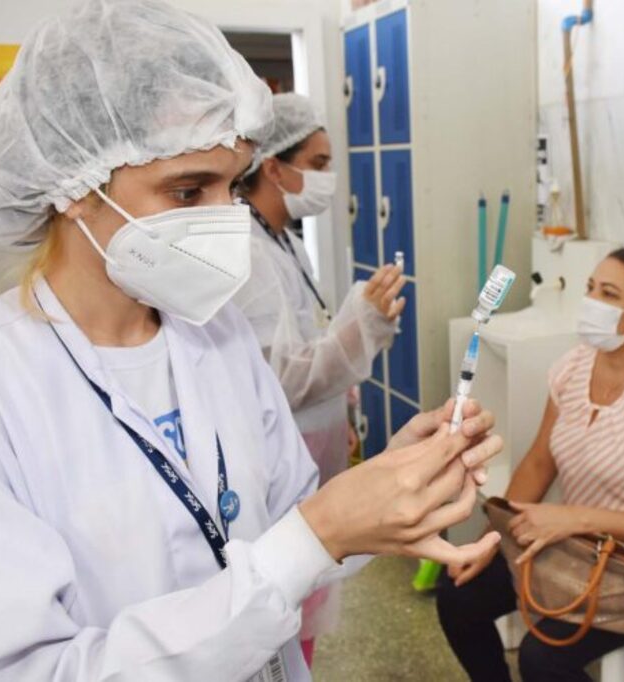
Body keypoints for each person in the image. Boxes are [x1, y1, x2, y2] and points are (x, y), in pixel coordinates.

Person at [0, 2, 501, 680]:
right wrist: (319, 533)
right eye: (189, 192)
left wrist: (380, 494)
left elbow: (292, 533)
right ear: (75, 187)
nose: (227, 220)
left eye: (232, 185)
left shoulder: (213, 335)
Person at [436, 248, 624, 682]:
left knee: (544, 658)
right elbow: (538, 463)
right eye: (590, 288)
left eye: (608, 293)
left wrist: (570, 518)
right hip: (580, 542)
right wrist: (488, 541)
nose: (591, 303)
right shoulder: (574, 367)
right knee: (457, 592)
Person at [233, 93, 404, 661]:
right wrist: (364, 326)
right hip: (286, 451)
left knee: (307, 602)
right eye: (320, 163)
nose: (329, 178)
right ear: (275, 167)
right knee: (287, 604)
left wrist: (346, 411)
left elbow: (308, 341)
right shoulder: (250, 254)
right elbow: (278, 379)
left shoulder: (284, 242)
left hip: (317, 437)